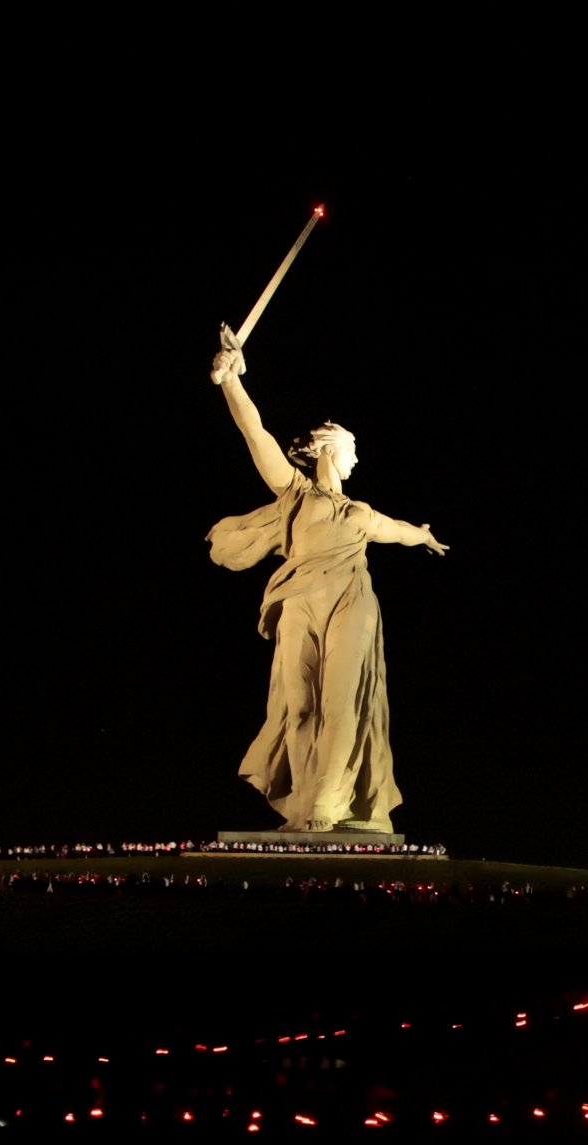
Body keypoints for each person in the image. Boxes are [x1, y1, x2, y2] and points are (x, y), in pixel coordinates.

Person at [207, 326, 448, 832]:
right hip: (299, 600)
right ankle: (302, 801)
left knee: (340, 703)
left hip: (351, 602)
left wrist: (422, 534)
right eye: (351, 450)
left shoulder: (359, 511)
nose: (356, 460)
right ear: (327, 451)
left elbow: (395, 530)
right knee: (297, 707)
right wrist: (232, 382)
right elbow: (257, 435)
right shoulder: (294, 493)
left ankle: (325, 806)